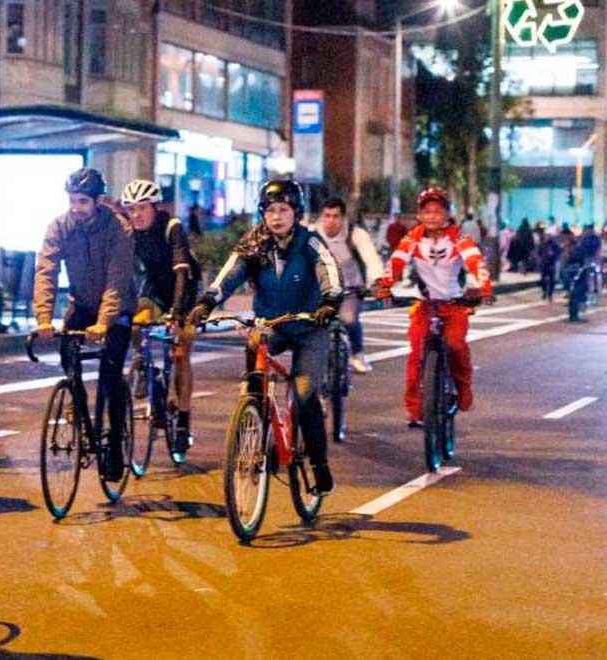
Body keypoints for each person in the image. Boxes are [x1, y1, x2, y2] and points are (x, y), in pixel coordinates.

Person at [187, 180, 343, 495]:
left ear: (296, 213)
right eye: (270, 210)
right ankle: (257, 424)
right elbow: (229, 275)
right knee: (254, 346)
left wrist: (329, 302)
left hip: (310, 326)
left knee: (302, 392)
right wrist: (206, 303)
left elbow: (329, 271)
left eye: (283, 210)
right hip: (273, 325)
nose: (276, 217)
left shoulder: (309, 243)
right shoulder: (253, 244)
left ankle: (319, 466)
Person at [33, 168, 136, 481]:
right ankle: (78, 412)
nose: (76, 207)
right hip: (81, 304)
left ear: (97, 201)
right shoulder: (60, 226)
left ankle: (116, 441)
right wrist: (43, 318)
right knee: (69, 357)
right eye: (72, 200)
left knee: (110, 374)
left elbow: (117, 280)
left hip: (116, 309)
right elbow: (46, 271)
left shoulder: (119, 228)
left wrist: (105, 322)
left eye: (82, 201)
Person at [376, 187, 494, 427]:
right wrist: (385, 285)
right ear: (419, 215)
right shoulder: (412, 238)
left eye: (437, 211)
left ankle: (462, 392)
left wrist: (485, 287)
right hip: (424, 306)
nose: (432, 216)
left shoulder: (459, 238)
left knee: (456, 346)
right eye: (427, 211)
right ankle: (416, 410)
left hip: (454, 305)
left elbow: (475, 261)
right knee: (416, 355)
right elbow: (396, 263)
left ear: (447, 214)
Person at [121, 178, 200, 458]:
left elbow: (181, 270)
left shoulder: (171, 227)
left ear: (155, 207)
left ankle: (183, 421)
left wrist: (177, 312)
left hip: (184, 289)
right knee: (136, 319)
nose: (137, 215)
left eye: (142, 208)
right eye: (131, 209)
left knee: (180, 354)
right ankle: (142, 362)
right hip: (155, 288)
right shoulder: (130, 232)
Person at [314, 197, 384, 374]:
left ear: (343, 218)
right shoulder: (311, 235)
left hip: (350, 288)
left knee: (349, 319)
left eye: (336, 216)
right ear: (321, 217)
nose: (331, 221)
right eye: (327, 216)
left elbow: (372, 260)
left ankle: (357, 354)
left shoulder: (356, 234)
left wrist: (377, 281)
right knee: (309, 324)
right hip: (319, 289)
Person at [538, 227, 561, 302]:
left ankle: (550, 294)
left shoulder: (554, 245)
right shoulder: (542, 244)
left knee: (551, 280)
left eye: (548, 235)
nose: (547, 237)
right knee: (543, 279)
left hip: (551, 264)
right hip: (544, 264)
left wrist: (553, 255)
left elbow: (558, 252)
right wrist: (539, 258)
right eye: (546, 235)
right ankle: (544, 292)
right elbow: (539, 253)